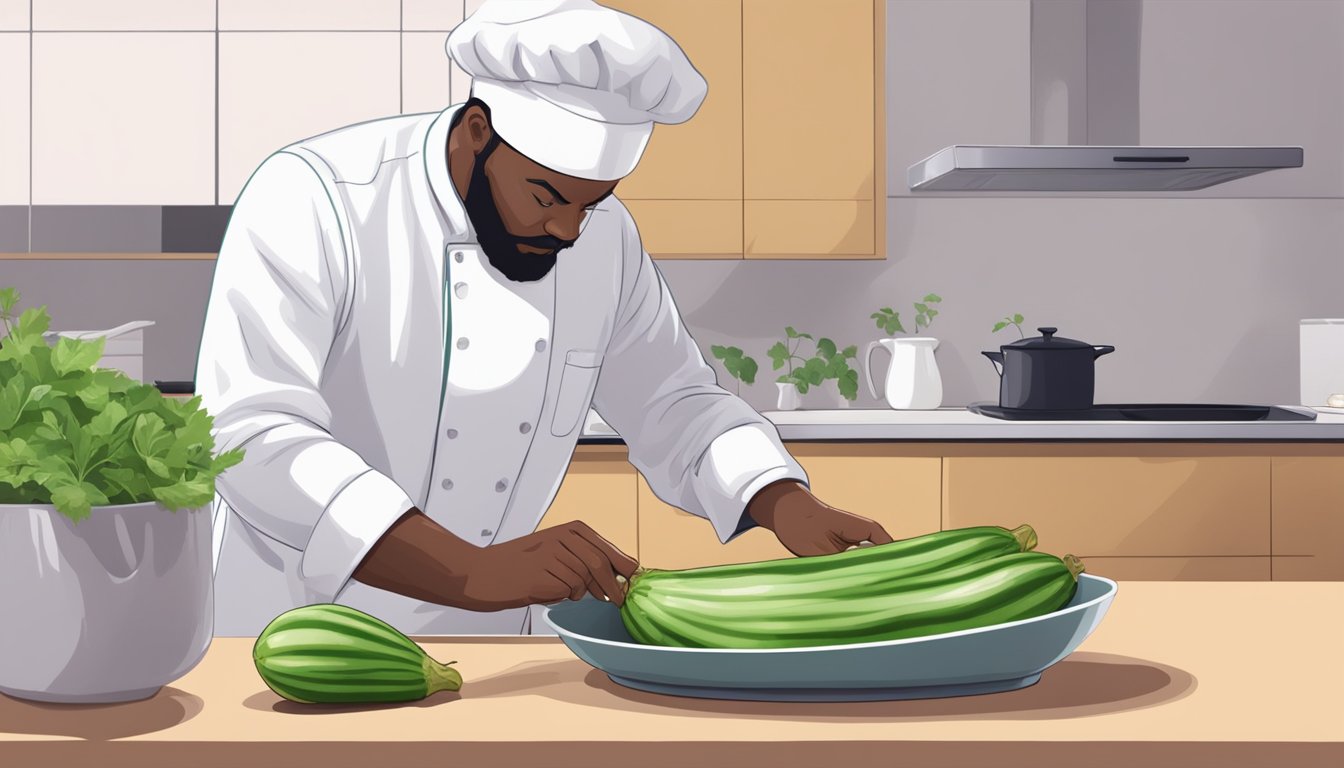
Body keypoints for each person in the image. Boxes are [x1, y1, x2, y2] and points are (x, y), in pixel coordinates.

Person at [197, 0, 894, 638]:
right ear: (478, 131)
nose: (566, 229)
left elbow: (673, 403)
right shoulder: (318, 196)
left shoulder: (605, 239)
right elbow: (252, 433)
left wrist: (781, 501)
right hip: (298, 636)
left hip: (489, 647)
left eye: (591, 203)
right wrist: (470, 570)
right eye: (544, 195)